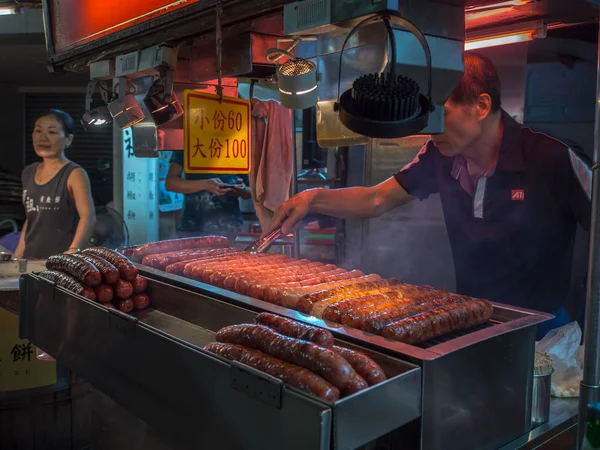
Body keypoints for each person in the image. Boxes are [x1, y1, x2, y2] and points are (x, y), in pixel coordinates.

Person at [267, 53, 591, 334]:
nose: (430, 128)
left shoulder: (552, 158)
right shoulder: (439, 156)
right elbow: (376, 199)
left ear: (481, 106)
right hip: (474, 320)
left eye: (442, 114)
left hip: (544, 328)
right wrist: (311, 199)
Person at [14, 109, 96, 260]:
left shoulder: (74, 173)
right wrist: (18, 256)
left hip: (62, 260)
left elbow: (88, 216)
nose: (42, 137)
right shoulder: (28, 172)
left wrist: (74, 250)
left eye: (51, 132)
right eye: (38, 130)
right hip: (31, 259)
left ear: (68, 139)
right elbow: (32, 217)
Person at [166, 151, 252, 241]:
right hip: (192, 226)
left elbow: (252, 191)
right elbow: (170, 183)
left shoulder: (237, 146)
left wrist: (241, 190)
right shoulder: (190, 142)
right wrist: (205, 185)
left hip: (230, 227)